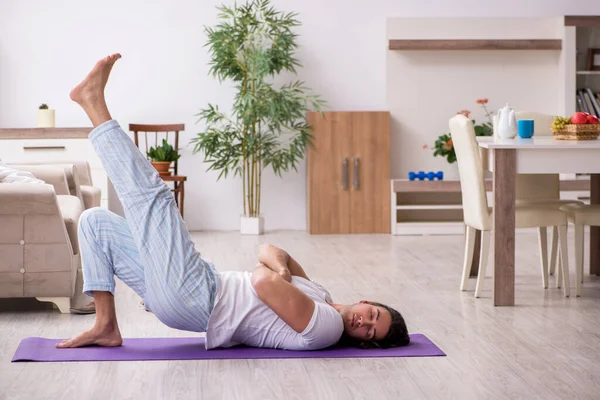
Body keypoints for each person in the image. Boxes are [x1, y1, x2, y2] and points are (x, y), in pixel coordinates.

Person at [57, 54, 410, 351]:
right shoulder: (322, 294)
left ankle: (93, 102)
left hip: (199, 300)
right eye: (373, 316)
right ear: (368, 301)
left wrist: (278, 275)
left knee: (155, 199)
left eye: (368, 332)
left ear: (362, 341)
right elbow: (270, 252)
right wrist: (282, 269)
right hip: (201, 287)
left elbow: (262, 280)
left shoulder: (328, 329)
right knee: (95, 222)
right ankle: (105, 325)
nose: (363, 323)